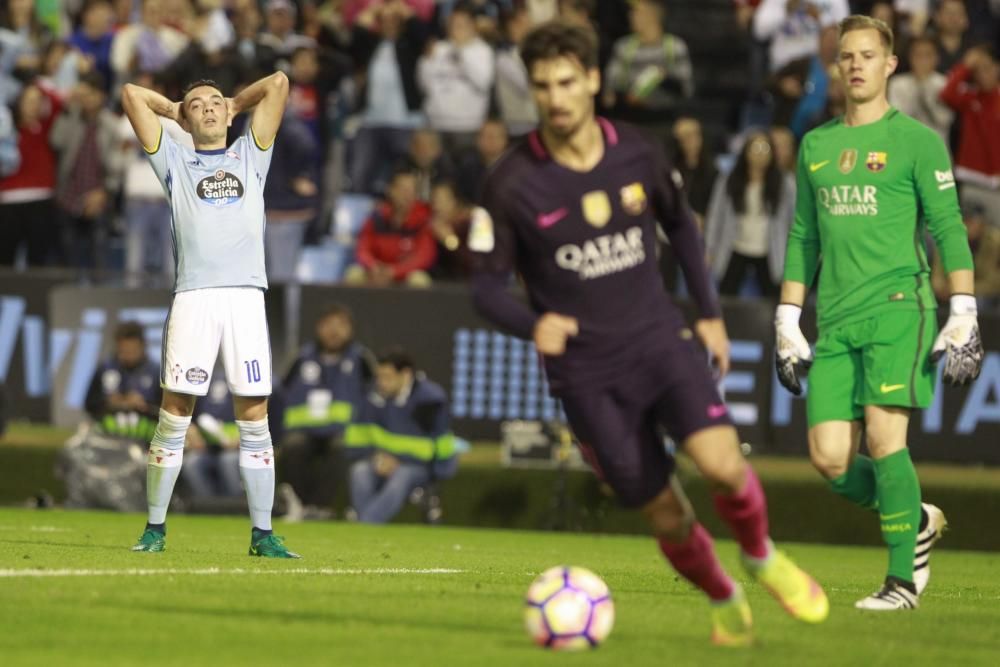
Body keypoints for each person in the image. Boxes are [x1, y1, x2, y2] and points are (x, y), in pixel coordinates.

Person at [471, 21, 828, 647]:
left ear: (592, 81)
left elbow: (683, 228)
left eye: (565, 83)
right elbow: (485, 289)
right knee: (663, 510)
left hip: (658, 342)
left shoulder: (638, 151)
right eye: (541, 86)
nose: (554, 98)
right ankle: (723, 596)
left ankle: (762, 556)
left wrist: (710, 313)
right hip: (585, 375)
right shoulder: (510, 182)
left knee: (721, 465)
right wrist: (534, 325)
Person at [775, 15, 980, 611]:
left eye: (869, 55)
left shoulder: (917, 141)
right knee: (830, 460)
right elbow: (803, 236)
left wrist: (963, 306)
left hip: (900, 308)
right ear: (837, 67)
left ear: (890, 64)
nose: (857, 64)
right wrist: (789, 317)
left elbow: (947, 226)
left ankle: (900, 583)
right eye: (847, 56)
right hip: (835, 319)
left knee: (887, 440)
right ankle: (912, 516)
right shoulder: (817, 145)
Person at [121, 69, 300, 558]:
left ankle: (263, 535)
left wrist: (236, 102)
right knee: (175, 413)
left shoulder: (250, 154)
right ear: (186, 117)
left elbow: (280, 82)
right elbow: (133, 95)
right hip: (195, 297)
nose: (208, 108)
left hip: (245, 297)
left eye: (214, 102)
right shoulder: (174, 160)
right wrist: (174, 110)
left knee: (255, 415)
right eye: (197, 104)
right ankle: (154, 529)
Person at [279, 303, 375, 518]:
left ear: (351, 330)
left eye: (341, 325)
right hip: (305, 429)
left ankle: (319, 508)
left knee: (341, 447)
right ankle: (299, 504)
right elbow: (280, 391)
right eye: (328, 325)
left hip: (342, 431)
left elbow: (375, 394)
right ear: (318, 327)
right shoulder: (301, 357)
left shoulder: (361, 359)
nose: (334, 331)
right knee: (294, 445)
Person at [348, 347, 457, 524]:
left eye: (388, 377)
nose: (381, 383)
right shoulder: (371, 396)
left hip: (419, 467)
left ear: (405, 375)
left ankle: (364, 525)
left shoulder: (430, 399)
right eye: (379, 377)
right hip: (380, 461)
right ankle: (367, 526)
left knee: (402, 475)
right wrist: (376, 457)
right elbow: (355, 441)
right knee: (359, 471)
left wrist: (400, 461)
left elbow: (439, 447)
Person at [704, 131, 794, 297]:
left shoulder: (785, 183)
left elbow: (793, 220)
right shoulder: (728, 180)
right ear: (746, 152)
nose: (760, 154)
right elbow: (716, 216)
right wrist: (709, 248)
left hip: (770, 250)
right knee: (726, 298)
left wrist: (794, 254)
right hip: (735, 245)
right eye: (755, 148)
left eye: (764, 149)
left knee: (773, 301)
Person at [84, 321, 161, 442]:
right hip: (109, 438)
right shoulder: (105, 368)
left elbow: (167, 411)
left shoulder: (157, 372)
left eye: (132, 350)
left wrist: (144, 405)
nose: (127, 355)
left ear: (142, 346)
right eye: (123, 351)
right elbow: (90, 404)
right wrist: (110, 402)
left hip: (145, 439)